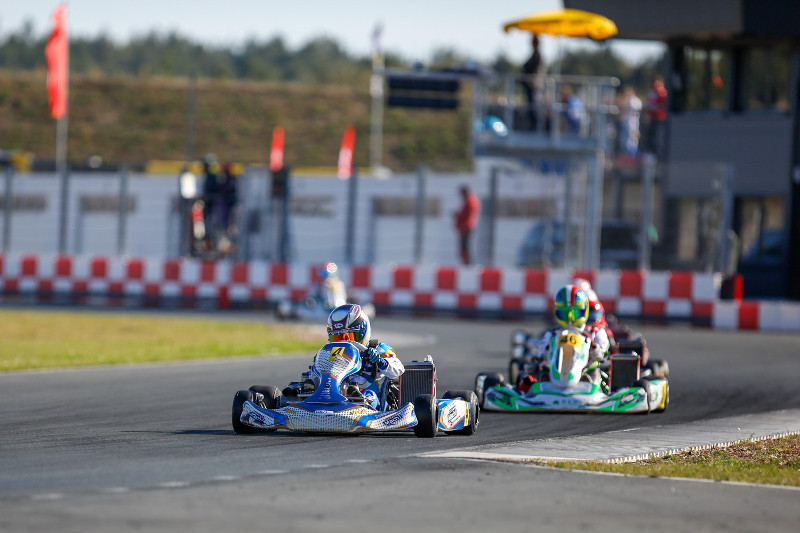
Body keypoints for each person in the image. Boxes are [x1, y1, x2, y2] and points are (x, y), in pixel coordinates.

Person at [304, 303, 404, 410]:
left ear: (363, 332)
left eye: (349, 337)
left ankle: (356, 401)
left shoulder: (379, 349)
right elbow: (316, 378)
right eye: (338, 338)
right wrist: (309, 383)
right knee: (302, 388)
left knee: (369, 395)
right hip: (335, 394)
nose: (344, 342)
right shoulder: (330, 354)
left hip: (371, 401)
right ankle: (308, 402)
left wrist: (381, 362)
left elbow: (399, 370)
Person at [517, 284, 610, 393]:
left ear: (584, 310)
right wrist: (547, 352)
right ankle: (537, 390)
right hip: (555, 372)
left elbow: (604, 353)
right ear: (557, 312)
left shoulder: (595, 332)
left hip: (585, 371)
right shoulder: (552, 334)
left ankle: (595, 393)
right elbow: (541, 355)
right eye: (565, 313)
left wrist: (595, 350)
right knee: (534, 372)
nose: (570, 319)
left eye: (574, 313)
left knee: (595, 373)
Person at [453, 185, 480, 265]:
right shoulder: (469, 201)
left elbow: (468, 215)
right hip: (465, 227)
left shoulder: (470, 201)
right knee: (463, 247)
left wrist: (463, 225)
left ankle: (467, 264)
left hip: (466, 227)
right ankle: (466, 263)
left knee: (464, 247)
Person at [521, 34, 542, 131]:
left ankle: (535, 127)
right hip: (531, 85)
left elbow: (535, 70)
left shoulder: (537, 55)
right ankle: (533, 126)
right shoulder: (535, 54)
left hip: (533, 86)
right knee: (531, 107)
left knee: (533, 107)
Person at [643, 75, 667, 157]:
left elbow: (662, 105)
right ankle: (651, 153)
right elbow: (648, 104)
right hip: (652, 117)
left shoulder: (661, 92)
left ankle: (657, 154)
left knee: (658, 137)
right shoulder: (653, 92)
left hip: (659, 117)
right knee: (651, 137)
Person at [617, 85, 642, 156]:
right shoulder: (627, 100)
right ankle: (626, 154)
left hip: (633, 123)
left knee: (633, 140)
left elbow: (635, 109)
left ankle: (633, 155)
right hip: (626, 123)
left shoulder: (635, 100)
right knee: (625, 140)